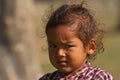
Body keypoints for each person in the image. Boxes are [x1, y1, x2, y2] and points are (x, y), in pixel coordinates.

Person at [39, 2, 113, 80]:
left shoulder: (98, 77)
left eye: (68, 46)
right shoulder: (46, 78)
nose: (60, 53)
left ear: (90, 47)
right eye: (53, 46)